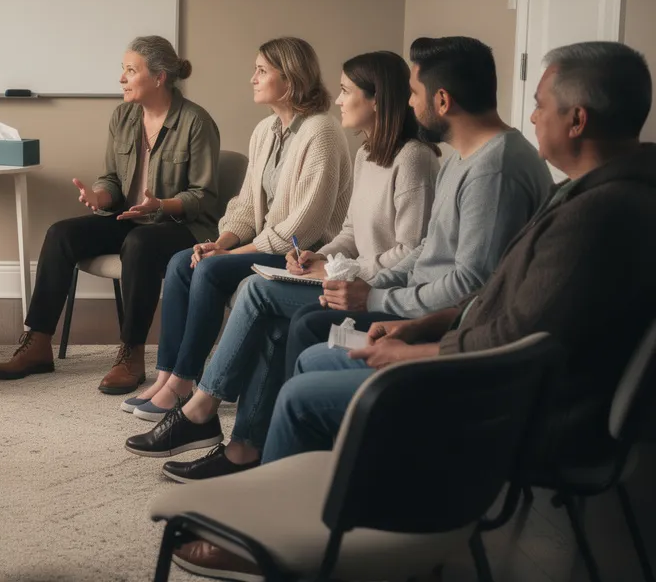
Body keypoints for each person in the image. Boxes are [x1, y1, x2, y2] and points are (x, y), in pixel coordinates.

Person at [168, 40, 656, 582]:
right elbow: (495, 296)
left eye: (542, 104)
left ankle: (277, 544)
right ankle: (335, 516)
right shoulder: (595, 191)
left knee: (303, 396)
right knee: (309, 359)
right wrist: (421, 324)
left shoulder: (593, 213)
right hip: (491, 368)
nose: (534, 115)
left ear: (578, 119)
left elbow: (519, 336)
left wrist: (414, 350)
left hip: (514, 406)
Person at [126, 51, 439, 473]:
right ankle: (242, 446)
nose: (338, 99)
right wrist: (321, 256)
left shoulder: (413, 158)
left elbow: (412, 250)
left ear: (377, 99)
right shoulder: (367, 153)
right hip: (341, 275)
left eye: (346, 91)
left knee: (256, 291)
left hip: (378, 290)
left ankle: (200, 407)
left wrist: (339, 268)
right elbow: (348, 231)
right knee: (243, 299)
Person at [280, 36, 554, 372]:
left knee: (309, 328)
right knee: (310, 318)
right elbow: (427, 247)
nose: (408, 103)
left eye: (413, 93)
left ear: (442, 101)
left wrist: (375, 298)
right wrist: (370, 286)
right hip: (415, 301)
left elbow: (471, 285)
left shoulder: (494, 171)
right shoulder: (461, 159)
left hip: (443, 325)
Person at [130, 37, 353, 419]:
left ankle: (184, 382)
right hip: (269, 247)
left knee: (211, 269)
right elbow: (246, 207)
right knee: (182, 262)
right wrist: (220, 242)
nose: (253, 78)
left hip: (305, 257)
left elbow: (304, 228)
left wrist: (229, 254)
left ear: (290, 78)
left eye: (262, 71)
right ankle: (167, 375)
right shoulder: (266, 130)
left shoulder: (322, 132)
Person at [0, 36, 221, 393]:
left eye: (131, 71)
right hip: (129, 218)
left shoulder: (196, 122)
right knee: (60, 234)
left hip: (181, 226)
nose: (121, 79)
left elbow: (203, 197)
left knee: (140, 242)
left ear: (159, 77)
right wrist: (99, 196)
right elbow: (113, 178)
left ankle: (132, 352)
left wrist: (160, 205)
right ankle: (38, 343)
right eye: (123, 70)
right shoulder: (123, 116)